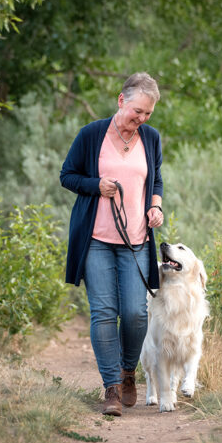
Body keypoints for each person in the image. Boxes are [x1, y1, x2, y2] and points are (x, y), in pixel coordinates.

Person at [60, 72, 165, 415]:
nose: (142, 119)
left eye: (148, 113)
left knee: (135, 314)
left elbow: (156, 179)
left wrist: (155, 205)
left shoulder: (151, 138)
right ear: (122, 101)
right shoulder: (92, 135)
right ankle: (111, 389)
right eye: (137, 111)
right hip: (96, 240)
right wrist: (96, 185)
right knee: (104, 313)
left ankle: (128, 371)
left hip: (136, 240)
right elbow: (67, 175)